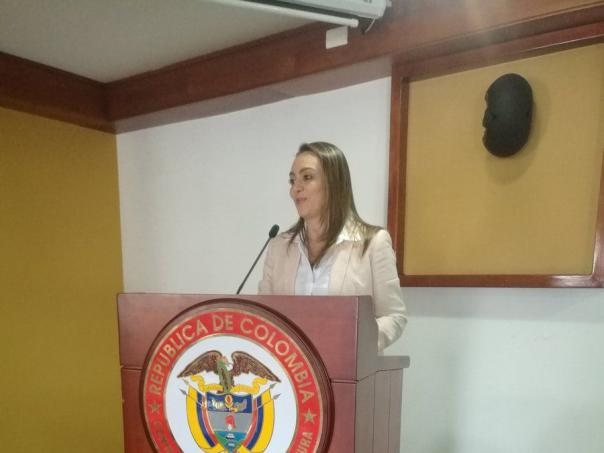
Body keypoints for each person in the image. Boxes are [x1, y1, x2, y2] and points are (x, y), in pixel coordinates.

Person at [258, 142, 407, 352]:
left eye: (307, 177)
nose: (294, 189)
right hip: (290, 368)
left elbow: (393, 316)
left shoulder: (373, 243)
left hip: (348, 367)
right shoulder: (279, 248)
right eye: (292, 180)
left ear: (334, 183)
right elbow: (264, 317)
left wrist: (352, 345)